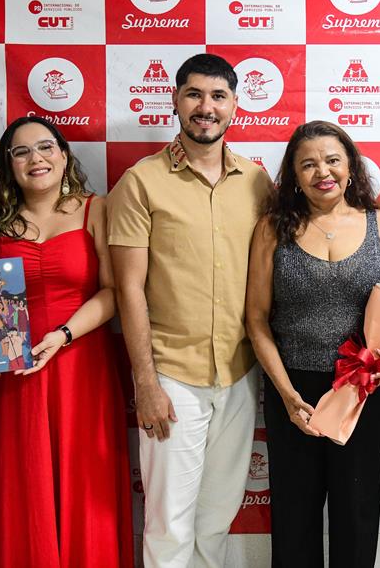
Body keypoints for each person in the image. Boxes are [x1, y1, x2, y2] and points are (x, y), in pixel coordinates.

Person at [0, 116, 132, 567]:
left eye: (44, 147)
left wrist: (63, 335)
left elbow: (114, 292)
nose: (35, 158)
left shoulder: (96, 209)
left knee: (86, 485)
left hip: (81, 368)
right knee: (22, 484)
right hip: (12, 376)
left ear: (63, 155)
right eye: (20, 152)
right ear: (9, 164)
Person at [107, 53, 271, 568]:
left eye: (218, 96)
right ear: (175, 100)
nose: (206, 107)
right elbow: (128, 289)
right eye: (195, 94)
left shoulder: (257, 181)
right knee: (169, 524)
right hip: (172, 375)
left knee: (216, 518)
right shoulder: (141, 182)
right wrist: (146, 383)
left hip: (239, 372)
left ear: (235, 105)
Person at [244, 121, 380, 567]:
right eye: (308, 164)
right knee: (294, 519)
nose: (322, 172)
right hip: (294, 392)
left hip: (362, 390)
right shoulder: (272, 229)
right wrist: (287, 396)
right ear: (294, 175)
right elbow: (256, 320)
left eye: (332, 160)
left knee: (357, 518)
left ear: (350, 166)